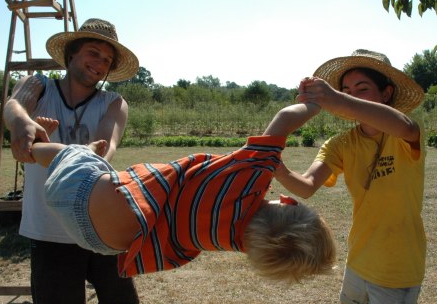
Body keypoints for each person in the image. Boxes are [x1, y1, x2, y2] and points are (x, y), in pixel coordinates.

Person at [3, 18, 161, 304]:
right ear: (72, 54)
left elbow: (105, 147)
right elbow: (13, 106)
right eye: (93, 52)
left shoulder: (113, 103)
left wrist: (58, 149)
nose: (99, 63)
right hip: (49, 231)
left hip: (101, 222)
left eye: (107, 59)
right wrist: (23, 125)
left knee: (117, 302)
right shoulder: (38, 88)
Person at [27, 102, 336, 283]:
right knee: (85, 165)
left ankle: (36, 147)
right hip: (98, 243)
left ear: (288, 201)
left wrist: (319, 100)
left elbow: (285, 119)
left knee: (70, 155)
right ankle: (82, 155)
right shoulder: (229, 240)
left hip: (81, 192)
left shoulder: (249, 182)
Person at [275, 49, 426, 304]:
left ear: (386, 93)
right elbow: (306, 186)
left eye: (362, 88)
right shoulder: (342, 144)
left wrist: (336, 99)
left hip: (397, 270)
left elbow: (403, 126)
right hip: (360, 258)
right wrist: (275, 165)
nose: (351, 96)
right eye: (346, 90)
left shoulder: (405, 132)